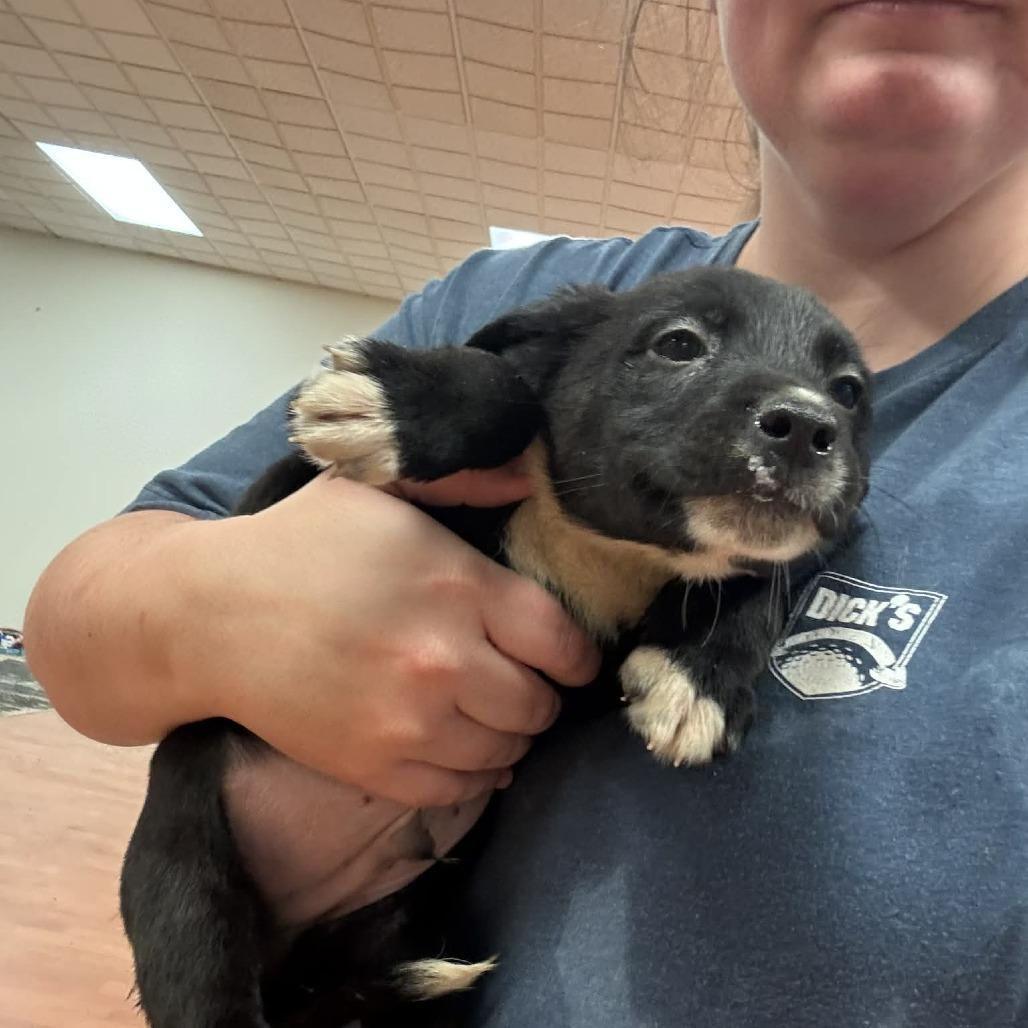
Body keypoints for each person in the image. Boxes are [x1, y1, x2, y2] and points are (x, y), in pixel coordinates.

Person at [24, 1, 1028, 1025]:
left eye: (844, 403)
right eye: (679, 347)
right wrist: (214, 606)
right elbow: (76, 623)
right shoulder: (507, 301)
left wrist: (726, 638)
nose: (805, 420)